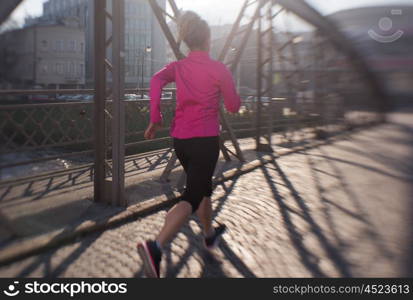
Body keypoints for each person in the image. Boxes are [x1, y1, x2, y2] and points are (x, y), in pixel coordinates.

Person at [137, 11, 241, 278]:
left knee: (202, 187)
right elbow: (232, 105)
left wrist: (155, 116)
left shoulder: (178, 67)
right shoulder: (219, 69)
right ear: (207, 39)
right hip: (205, 141)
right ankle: (156, 247)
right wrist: (235, 101)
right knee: (192, 197)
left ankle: (208, 235)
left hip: (181, 140)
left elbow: (155, 80)